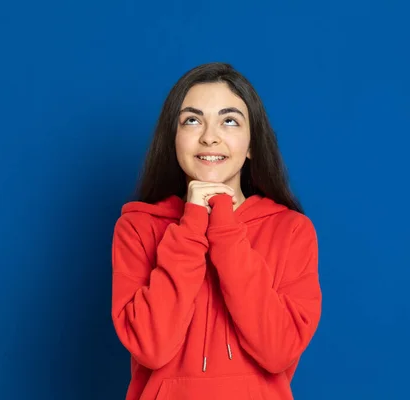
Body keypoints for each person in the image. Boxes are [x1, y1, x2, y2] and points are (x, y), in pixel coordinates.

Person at [111, 62, 322, 400]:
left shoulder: (291, 230)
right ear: (174, 139)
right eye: (192, 120)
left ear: (252, 144)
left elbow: (278, 350)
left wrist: (223, 225)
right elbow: (151, 346)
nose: (209, 136)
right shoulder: (137, 227)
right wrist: (192, 223)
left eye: (229, 121)